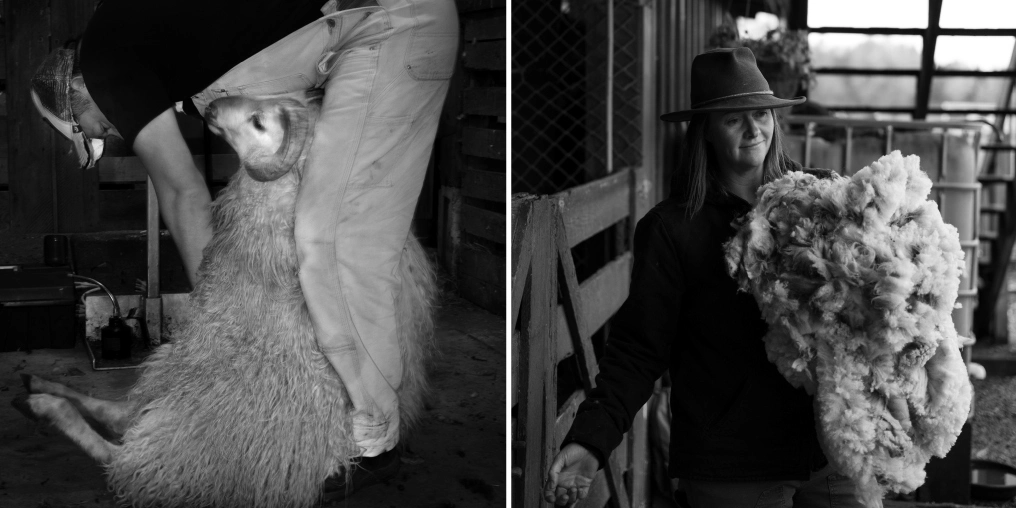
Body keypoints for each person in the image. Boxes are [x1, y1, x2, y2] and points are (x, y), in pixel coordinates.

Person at [29, 0, 458, 495]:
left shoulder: (105, 64)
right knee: (322, 238)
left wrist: (220, 315)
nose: (113, 134)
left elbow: (183, 192)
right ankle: (343, 407)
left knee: (334, 241)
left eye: (95, 128)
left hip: (393, 24)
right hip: (358, 32)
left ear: (76, 91)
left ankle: (373, 443)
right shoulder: (143, 40)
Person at [542, 48, 904, 508]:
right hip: (734, 460)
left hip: (829, 447)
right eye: (734, 119)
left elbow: (873, 305)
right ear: (706, 132)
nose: (754, 129)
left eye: (761, 113)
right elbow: (638, 350)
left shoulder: (823, 198)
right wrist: (593, 441)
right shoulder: (673, 229)